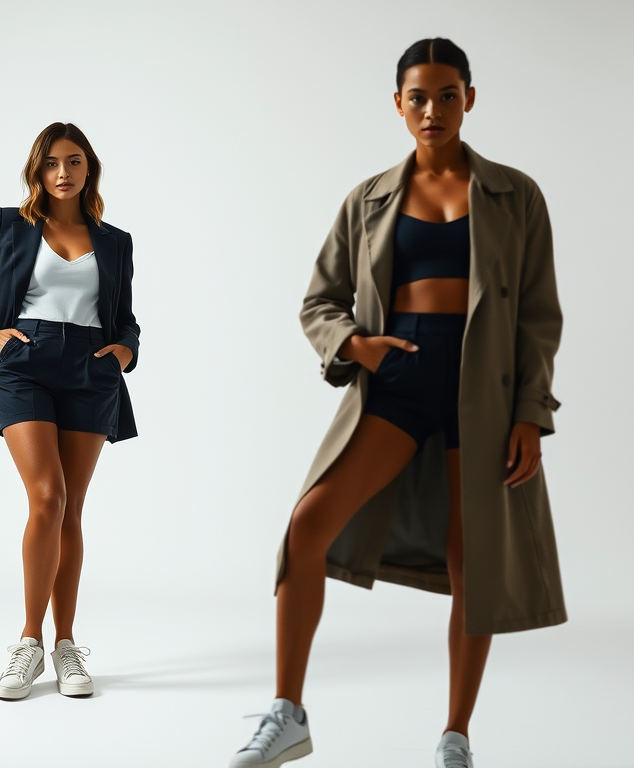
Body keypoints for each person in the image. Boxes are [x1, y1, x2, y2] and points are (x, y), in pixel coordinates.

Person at [229, 39, 565, 768]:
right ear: (398, 104)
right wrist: (355, 345)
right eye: (419, 96)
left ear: (469, 99)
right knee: (306, 526)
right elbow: (319, 299)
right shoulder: (369, 198)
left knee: (472, 560)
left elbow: (539, 315)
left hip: (484, 392)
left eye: (448, 95)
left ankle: (455, 736)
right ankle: (288, 714)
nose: (433, 110)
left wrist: (531, 414)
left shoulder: (516, 195)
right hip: (398, 381)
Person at [0, 122, 139, 700]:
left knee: (71, 508)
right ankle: (28, 641)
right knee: (46, 497)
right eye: (52, 162)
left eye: (74, 161)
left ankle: (67, 645)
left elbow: (124, 317)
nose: (63, 173)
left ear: (88, 169)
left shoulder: (117, 241)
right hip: (23, 361)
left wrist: (126, 350)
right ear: (37, 170)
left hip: (90, 370)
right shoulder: (10, 226)